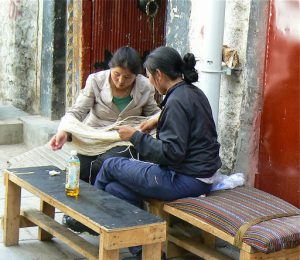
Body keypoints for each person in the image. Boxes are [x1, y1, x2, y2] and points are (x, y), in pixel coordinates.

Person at [94, 46, 222, 259]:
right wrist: (155, 120)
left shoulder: (177, 101)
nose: (150, 83)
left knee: (110, 165)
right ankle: (144, 252)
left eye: (150, 78)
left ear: (159, 75)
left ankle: (92, 217)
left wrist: (134, 136)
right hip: (199, 175)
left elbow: (172, 154)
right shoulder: (192, 92)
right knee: (115, 189)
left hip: (186, 179)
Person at [49, 46, 160, 232]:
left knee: (106, 163)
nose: (120, 81)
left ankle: (98, 217)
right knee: (80, 167)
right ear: (111, 68)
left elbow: (153, 113)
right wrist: (64, 132)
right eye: (116, 74)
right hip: (95, 136)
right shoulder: (96, 81)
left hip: (124, 139)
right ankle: (80, 213)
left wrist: (155, 122)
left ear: (136, 76)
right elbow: (77, 112)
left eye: (127, 77)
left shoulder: (145, 86)